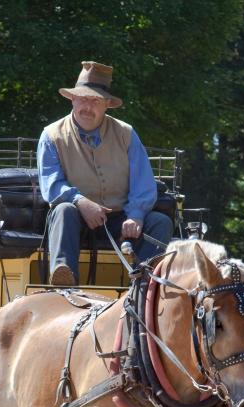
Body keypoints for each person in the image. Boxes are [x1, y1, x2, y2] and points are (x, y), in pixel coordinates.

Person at [37, 61, 173, 286]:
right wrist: (81, 202)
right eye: (82, 98)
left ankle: (144, 284)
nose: (87, 107)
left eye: (95, 100)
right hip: (76, 219)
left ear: (107, 104)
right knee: (62, 210)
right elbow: (51, 185)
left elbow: (143, 183)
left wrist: (136, 215)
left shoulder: (126, 133)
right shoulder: (51, 136)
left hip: (120, 219)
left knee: (160, 222)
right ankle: (64, 278)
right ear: (72, 99)